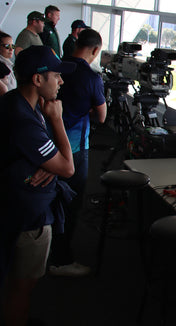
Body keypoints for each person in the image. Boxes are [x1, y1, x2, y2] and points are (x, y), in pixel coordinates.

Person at [0, 45, 75, 326]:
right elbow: (68, 167)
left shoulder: (13, 102)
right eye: (56, 75)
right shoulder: (26, 122)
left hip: (13, 206)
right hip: (27, 218)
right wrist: (56, 119)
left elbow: (51, 163)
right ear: (37, 80)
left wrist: (48, 167)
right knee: (22, 286)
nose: (61, 81)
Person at [49, 29, 106, 277]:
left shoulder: (54, 69)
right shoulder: (91, 78)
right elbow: (102, 117)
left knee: (49, 199)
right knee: (71, 204)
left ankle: (45, 250)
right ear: (95, 50)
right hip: (74, 151)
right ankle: (61, 260)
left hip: (46, 148)